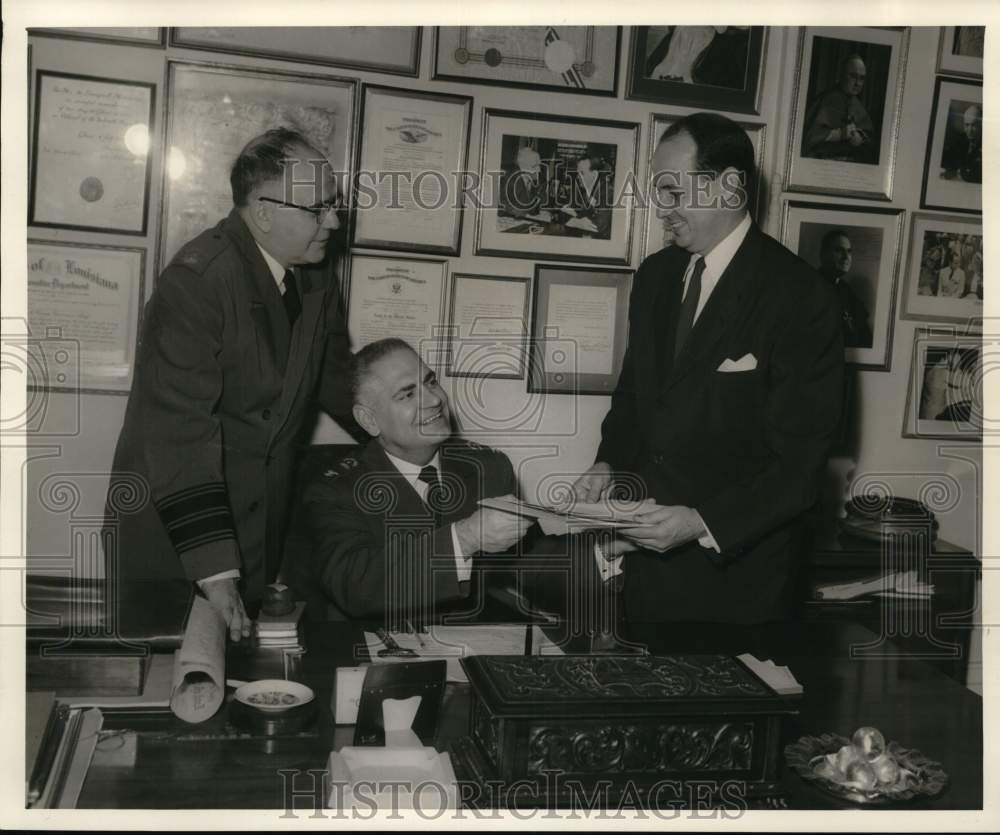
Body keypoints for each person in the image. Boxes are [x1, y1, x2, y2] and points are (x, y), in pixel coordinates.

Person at [572, 112, 844, 624]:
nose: (663, 210)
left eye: (673, 192)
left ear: (730, 187)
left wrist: (699, 523)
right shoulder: (655, 276)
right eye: (658, 193)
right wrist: (608, 464)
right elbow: (635, 398)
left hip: (741, 587)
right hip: (646, 574)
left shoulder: (801, 297)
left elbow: (799, 468)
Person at [103, 128, 354, 641]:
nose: (333, 221)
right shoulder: (197, 282)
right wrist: (216, 574)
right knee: (168, 686)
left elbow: (336, 379)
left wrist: (412, 429)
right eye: (317, 209)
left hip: (256, 529)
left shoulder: (316, 274)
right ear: (263, 212)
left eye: (334, 205)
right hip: (177, 534)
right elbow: (179, 433)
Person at [300, 338, 617, 628]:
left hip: (472, 654)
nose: (434, 400)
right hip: (376, 661)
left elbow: (528, 566)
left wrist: (606, 550)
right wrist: (465, 538)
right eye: (408, 393)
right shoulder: (335, 489)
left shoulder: (487, 468)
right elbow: (355, 586)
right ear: (369, 420)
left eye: (431, 381)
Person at [802, 54, 877, 164]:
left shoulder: (859, 106)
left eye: (861, 78)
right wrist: (840, 133)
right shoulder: (825, 100)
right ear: (841, 75)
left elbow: (870, 137)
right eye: (853, 76)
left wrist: (861, 136)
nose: (858, 83)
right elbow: (810, 137)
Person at [816, 229, 874, 348]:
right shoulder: (812, 287)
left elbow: (864, 333)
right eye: (839, 250)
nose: (846, 257)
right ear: (823, 254)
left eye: (849, 251)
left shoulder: (847, 290)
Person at [501, 145, 548, 220]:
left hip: (533, 220)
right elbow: (502, 203)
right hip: (513, 220)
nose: (538, 169)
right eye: (534, 166)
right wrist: (514, 211)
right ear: (522, 165)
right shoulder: (508, 178)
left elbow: (544, 202)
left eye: (538, 165)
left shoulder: (540, 179)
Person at [941, 104, 982, 184]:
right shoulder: (962, 139)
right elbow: (947, 158)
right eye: (967, 125)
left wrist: (959, 172)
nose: (969, 130)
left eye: (973, 125)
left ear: (980, 125)